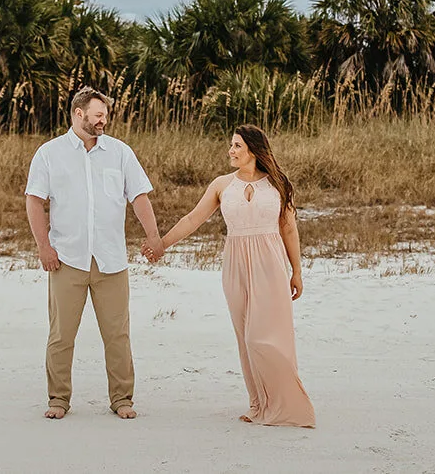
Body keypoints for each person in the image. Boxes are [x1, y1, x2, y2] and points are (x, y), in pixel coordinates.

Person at [144, 124, 315, 428]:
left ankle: (286, 402)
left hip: (271, 264)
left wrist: (297, 271)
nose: (231, 151)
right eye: (231, 145)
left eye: (237, 146)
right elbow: (193, 219)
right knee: (245, 336)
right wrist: (162, 244)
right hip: (235, 264)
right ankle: (258, 403)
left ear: (253, 150)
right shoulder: (222, 185)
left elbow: (289, 229)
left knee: (266, 336)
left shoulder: (278, 184)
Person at [25, 86, 162, 420]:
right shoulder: (49, 153)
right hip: (66, 259)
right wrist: (44, 247)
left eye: (105, 115)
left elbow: (139, 196)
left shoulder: (120, 152)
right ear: (79, 113)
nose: (104, 120)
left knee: (117, 335)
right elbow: (34, 200)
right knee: (61, 335)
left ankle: (122, 399)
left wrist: (154, 236)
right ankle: (58, 399)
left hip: (111, 260)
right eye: (98, 115)